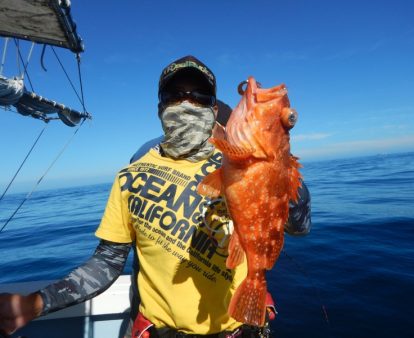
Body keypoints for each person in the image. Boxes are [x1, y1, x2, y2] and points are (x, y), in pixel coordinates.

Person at [0, 55, 311, 338]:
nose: (186, 101)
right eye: (174, 95)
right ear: (161, 108)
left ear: (215, 109)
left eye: (198, 96)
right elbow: (107, 264)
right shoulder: (131, 174)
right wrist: (37, 302)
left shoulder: (233, 161)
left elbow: (299, 224)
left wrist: (276, 159)